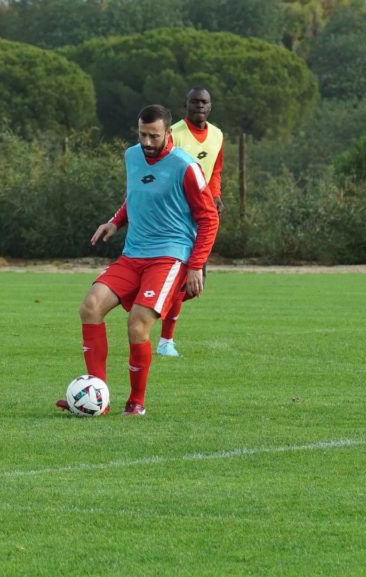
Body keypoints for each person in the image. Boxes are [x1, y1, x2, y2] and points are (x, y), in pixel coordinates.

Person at [56, 104, 219, 416]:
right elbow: (135, 195)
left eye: (153, 136)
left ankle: (136, 403)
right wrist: (115, 222)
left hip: (169, 257)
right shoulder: (131, 156)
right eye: (142, 134)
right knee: (90, 307)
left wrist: (196, 265)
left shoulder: (185, 166)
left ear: (168, 133)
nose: (146, 141)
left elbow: (209, 218)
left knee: (137, 323)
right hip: (133, 254)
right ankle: (98, 398)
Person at [158, 86, 224, 357]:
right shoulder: (174, 134)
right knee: (184, 279)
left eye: (204, 102)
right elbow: (163, 171)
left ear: (210, 106)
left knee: (193, 287)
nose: (200, 106)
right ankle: (166, 341)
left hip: (201, 216)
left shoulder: (218, 135)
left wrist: (215, 196)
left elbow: (216, 170)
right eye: (195, 101)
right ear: (186, 105)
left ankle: (155, 301)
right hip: (176, 217)